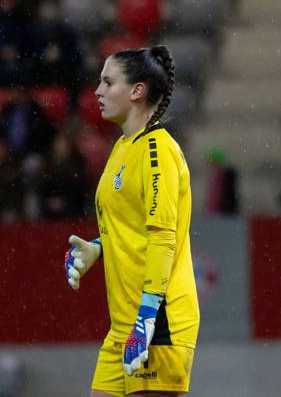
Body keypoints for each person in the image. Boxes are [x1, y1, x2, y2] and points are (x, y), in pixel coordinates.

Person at [64, 46, 199, 396]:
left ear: (137, 91)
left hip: (157, 322)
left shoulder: (159, 150)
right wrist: (97, 248)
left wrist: (147, 316)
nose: (97, 91)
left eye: (108, 82)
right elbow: (129, 227)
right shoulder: (123, 147)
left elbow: (162, 236)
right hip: (123, 324)